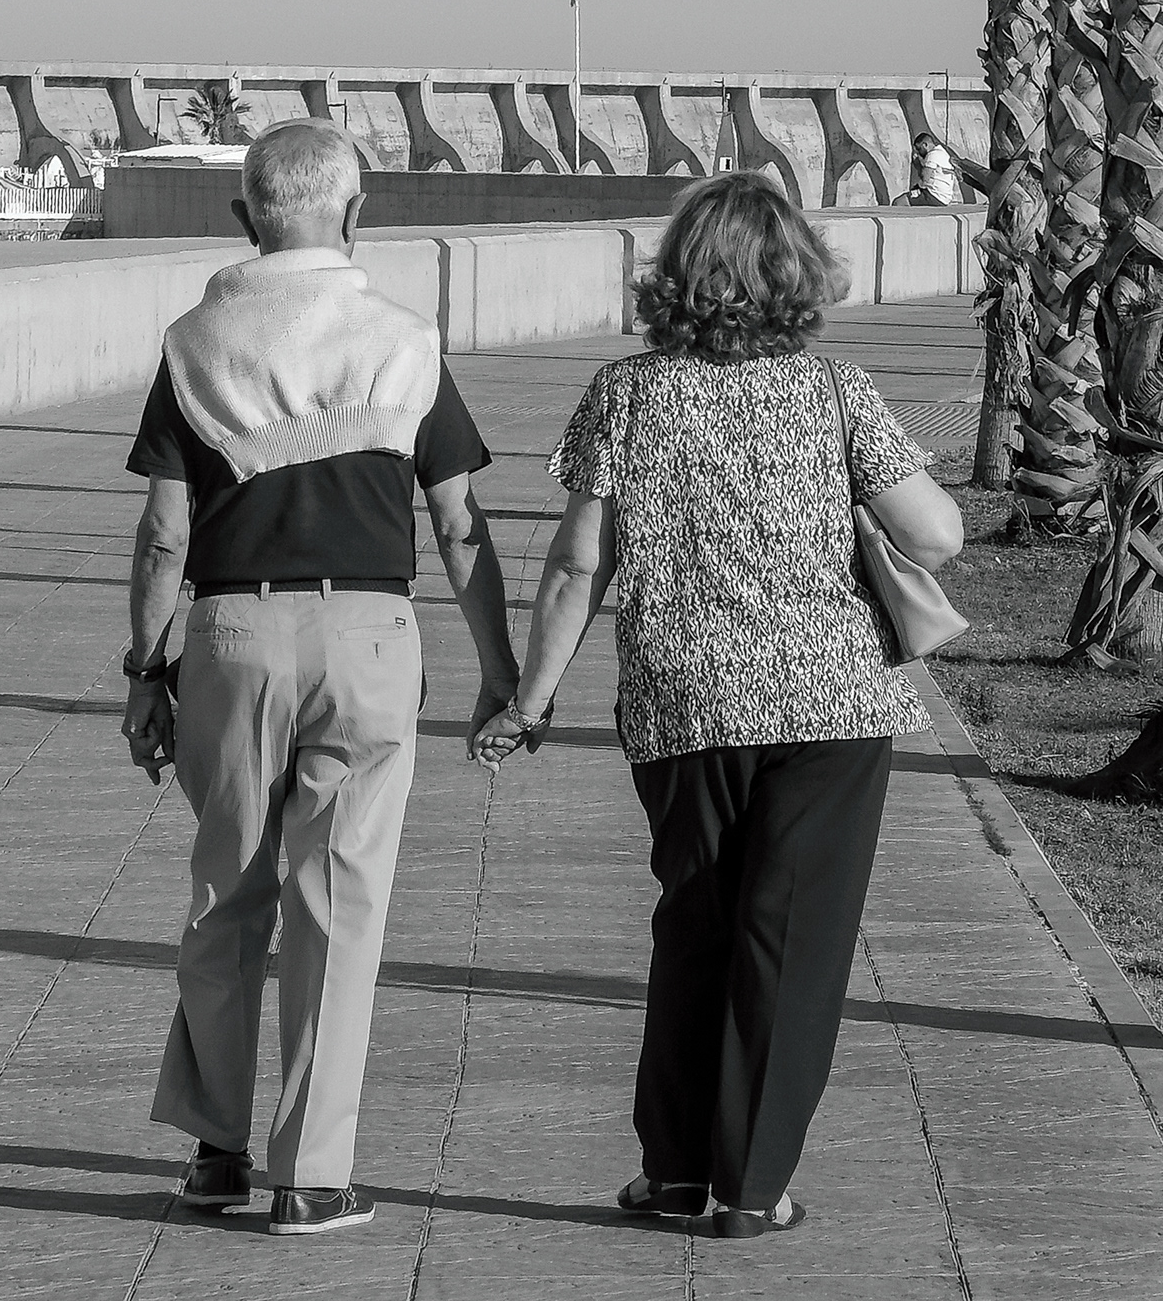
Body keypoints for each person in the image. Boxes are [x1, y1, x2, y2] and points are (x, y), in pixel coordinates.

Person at [476, 170, 963, 1239]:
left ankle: (674, 1171)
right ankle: (749, 1187)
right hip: (830, 703)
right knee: (792, 942)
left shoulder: (627, 393)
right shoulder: (835, 390)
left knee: (693, 924)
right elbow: (935, 537)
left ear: (677, 274)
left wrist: (530, 700)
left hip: (683, 701)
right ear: (798, 272)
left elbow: (577, 565)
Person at [120, 120, 518, 1237]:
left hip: (231, 635)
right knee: (337, 906)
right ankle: (313, 1177)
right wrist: (501, 671)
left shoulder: (195, 344)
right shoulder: (404, 341)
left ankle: (215, 1153)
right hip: (369, 637)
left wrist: (145, 670)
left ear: (244, 217)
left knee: (227, 893)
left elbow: (164, 534)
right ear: (355, 213)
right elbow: (459, 525)